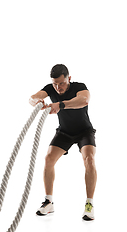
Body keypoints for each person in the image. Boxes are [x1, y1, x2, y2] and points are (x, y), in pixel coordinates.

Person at [29, 64, 97, 221]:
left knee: (90, 160)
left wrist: (60, 105)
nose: (58, 87)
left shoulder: (79, 87)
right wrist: (36, 101)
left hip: (84, 132)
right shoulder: (51, 88)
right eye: (55, 84)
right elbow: (32, 97)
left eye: (62, 83)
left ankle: (89, 205)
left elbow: (84, 100)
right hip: (64, 132)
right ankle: (48, 202)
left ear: (69, 78)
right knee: (48, 159)